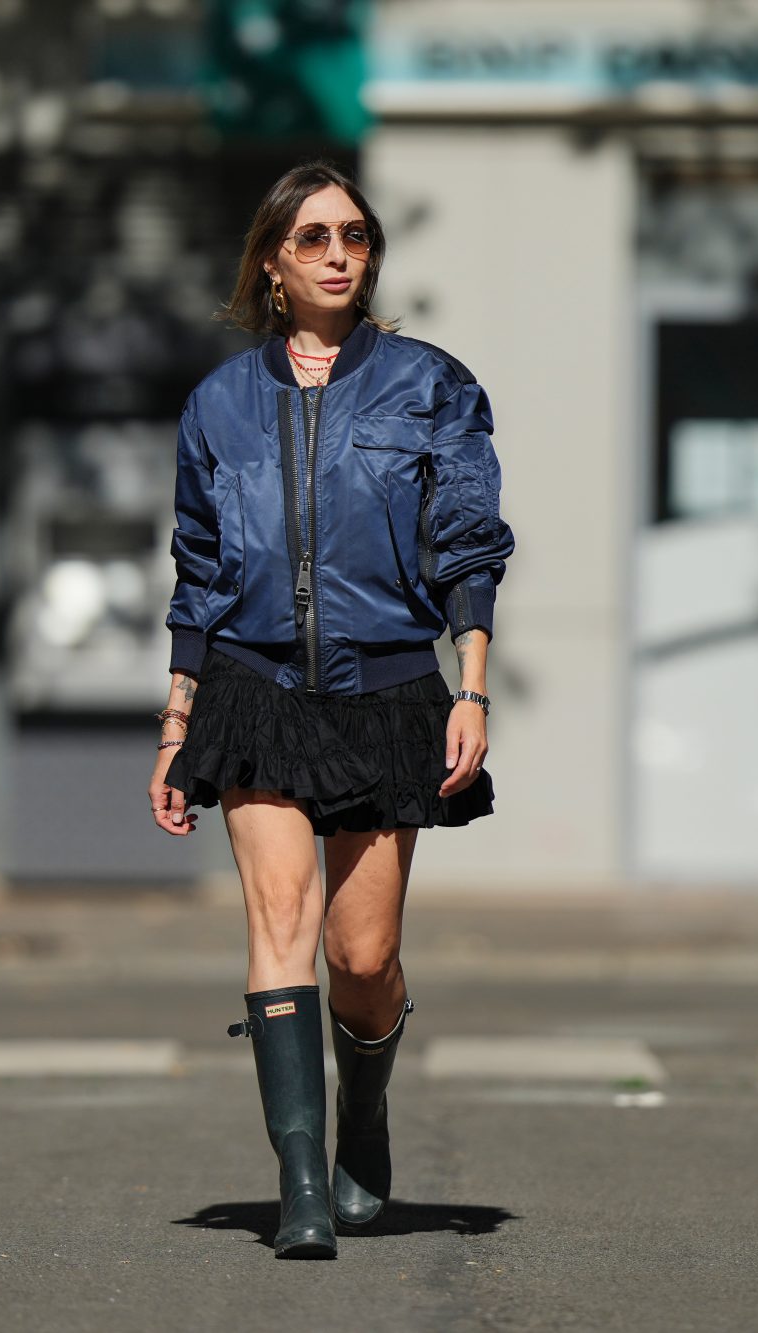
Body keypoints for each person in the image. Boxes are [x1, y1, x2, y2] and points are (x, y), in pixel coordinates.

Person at [145, 160, 515, 1259]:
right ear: (272, 261)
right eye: (311, 238)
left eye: (352, 234)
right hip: (254, 686)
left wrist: (473, 685)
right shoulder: (218, 403)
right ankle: (299, 1183)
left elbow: (468, 542)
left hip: (385, 685)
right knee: (278, 922)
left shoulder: (427, 386)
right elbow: (199, 568)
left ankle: (366, 1105)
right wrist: (177, 722)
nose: (338, 253)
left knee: (361, 958)